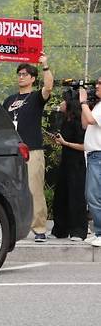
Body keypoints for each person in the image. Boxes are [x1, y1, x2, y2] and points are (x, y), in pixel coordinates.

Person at [2, 55, 54, 242]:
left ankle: (39, 229)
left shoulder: (36, 97)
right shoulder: (9, 100)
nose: (21, 77)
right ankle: (13, 226)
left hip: (32, 150)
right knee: (9, 189)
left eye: (25, 74)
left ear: (32, 78)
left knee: (34, 189)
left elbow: (48, 87)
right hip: (11, 152)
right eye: (19, 74)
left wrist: (45, 65)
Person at [50, 89, 88, 241]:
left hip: (77, 163)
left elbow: (83, 145)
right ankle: (60, 230)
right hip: (66, 161)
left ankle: (78, 231)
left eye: (64, 100)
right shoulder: (65, 119)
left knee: (76, 196)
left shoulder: (79, 121)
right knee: (61, 196)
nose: (61, 103)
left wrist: (65, 143)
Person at [80, 80, 101, 247]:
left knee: (94, 196)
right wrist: (84, 105)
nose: (97, 86)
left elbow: (91, 120)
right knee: (92, 196)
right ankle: (98, 231)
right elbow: (85, 123)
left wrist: (83, 102)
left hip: (99, 156)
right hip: (93, 155)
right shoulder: (98, 105)